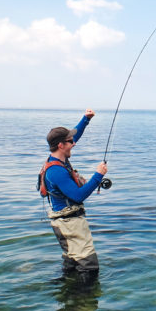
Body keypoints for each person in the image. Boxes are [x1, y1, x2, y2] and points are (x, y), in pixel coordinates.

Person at [39, 108, 108, 276]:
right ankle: (84, 301)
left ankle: (68, 297)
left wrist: (86, 119)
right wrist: (98, 174)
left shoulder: (58, 157)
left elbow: (75, 137)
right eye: (70, 141)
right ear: (61, 145)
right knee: (89, 266)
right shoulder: (56, 171)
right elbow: (78, 195)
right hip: (70, 224)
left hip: (63, 222)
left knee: (72, 262)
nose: (74, 143)